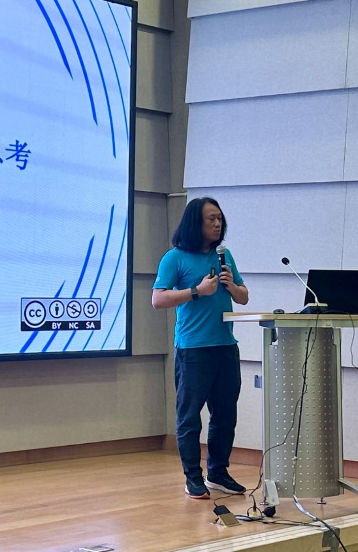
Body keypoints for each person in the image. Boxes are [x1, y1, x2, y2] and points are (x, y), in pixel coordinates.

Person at [152, 197, 249, 500]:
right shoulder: (175, 258)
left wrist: (232, 286)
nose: (218, 224)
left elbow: (244, 297)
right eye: (211, 219)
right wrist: (197, 291)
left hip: (225, 346)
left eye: (220, 218)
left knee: (225, 415)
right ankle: (192, 477)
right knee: (190, 416)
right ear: (196, 222)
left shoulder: (224, 255)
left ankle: (217, 474)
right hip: (193, 349)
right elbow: (158, 299)